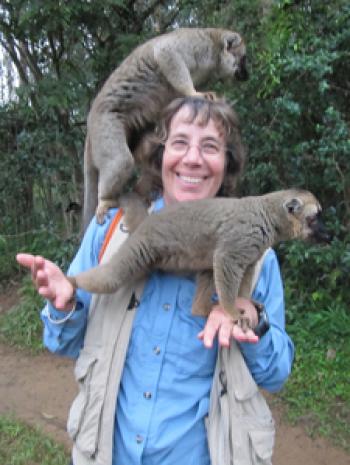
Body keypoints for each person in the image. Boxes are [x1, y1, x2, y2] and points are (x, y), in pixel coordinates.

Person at [17, 96, 294, 465]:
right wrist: (65, 301)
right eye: (180, 143)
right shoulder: (110, 232)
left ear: (226, 163)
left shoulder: (256, 256)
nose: (193, 158)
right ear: (160, 155)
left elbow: (276, 374)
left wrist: (251, 321)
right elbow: (62, 343)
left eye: (209, 146)